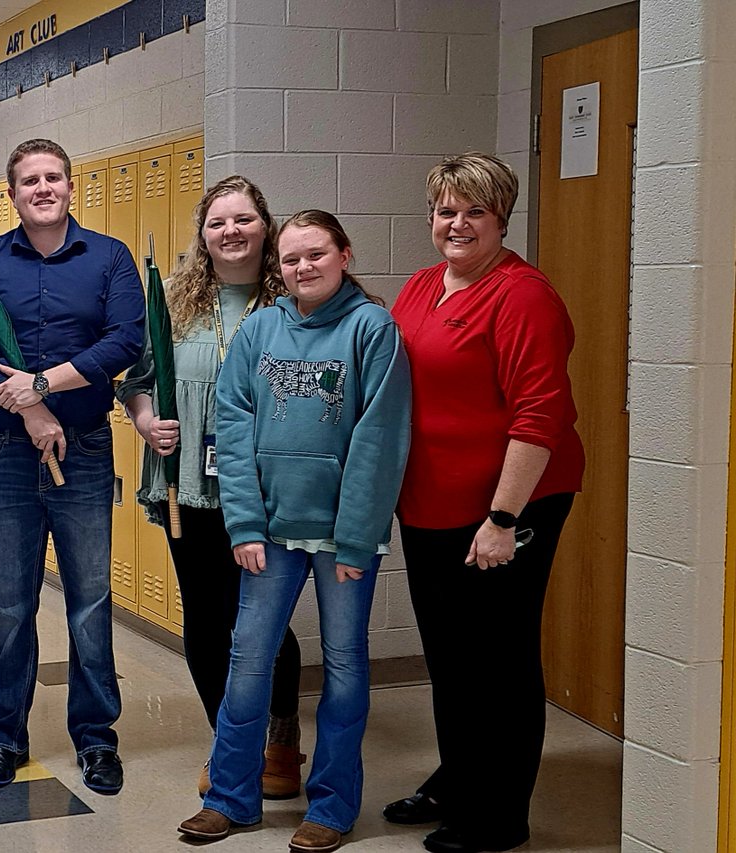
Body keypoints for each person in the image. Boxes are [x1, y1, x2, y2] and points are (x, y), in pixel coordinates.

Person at [178, 211, 411, 853]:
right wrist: (244, 524)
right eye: (290, 259)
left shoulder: (373, 329)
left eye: (316, 255)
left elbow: (380, 437)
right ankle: (231, 797)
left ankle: (331, 807)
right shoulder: (262, 329)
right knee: (247, 661)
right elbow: (233, 424)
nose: (303, 268)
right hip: (271, 533)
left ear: (343, 254)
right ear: (276, 267)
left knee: (344, 667)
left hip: (343, 538)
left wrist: (359, 537)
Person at [382, 153, 585, 853]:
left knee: (497, 658)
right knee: (451, 653)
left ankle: (499, 813)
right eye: (446, 210)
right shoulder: (418, 287)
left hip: (506, 505)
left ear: (502, 217)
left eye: (475, 211)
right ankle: (459, 777)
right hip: (432, 503)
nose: (458, 223)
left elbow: (541, 415)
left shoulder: (523, 295)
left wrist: (502, 520)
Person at [0, 139, 144, 795]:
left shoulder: (110, 258)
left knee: (89, 603)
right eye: (28, 180)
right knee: (10, 607)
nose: (42, 187)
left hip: (84, 449)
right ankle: (3, 738)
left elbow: (124, 339)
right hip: (7, 453)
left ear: (70, 185)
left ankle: (96, 740)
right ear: (12, 194)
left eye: (53, 177)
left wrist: (44, 385)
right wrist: (26, 407)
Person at [115, 176, 304, 799]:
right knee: (206, 615)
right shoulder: (173, 300)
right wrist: (145, 419)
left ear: (265, 226)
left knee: (265, 619)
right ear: (202, 234)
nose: (231, 232)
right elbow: (136, 378)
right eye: (218, 222)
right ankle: (230, 744)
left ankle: (280, 739)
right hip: (189, 485)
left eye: (244, 219)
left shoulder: (293, 299)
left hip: (268, 484)